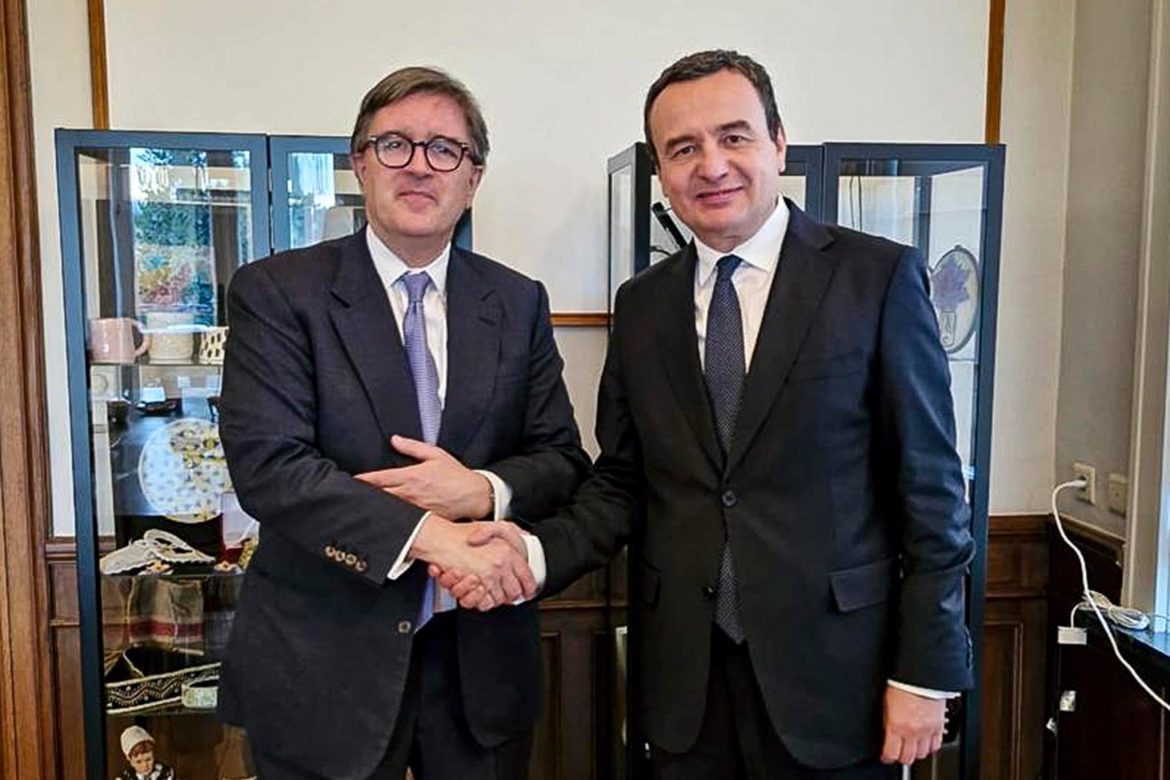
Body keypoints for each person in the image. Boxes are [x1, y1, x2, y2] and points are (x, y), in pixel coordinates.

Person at [445, 50, 974, 778]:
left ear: (778, 144)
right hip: (684, 686)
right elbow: (622, 481)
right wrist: (532, 555)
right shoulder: (641, 305)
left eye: (734, 137)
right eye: (683, 148)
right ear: (662, 172)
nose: (711, 165)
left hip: (839, 682)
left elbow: (933, 493)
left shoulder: (876, 279)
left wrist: (924, 674)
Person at [217, 65, 589, 780]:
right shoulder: (278, 292)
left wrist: (481, 490)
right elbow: (271, 468)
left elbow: (561, 460)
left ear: (473, 179)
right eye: (395, 144)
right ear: (360, 164)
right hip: (324, 665)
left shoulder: (517, 302)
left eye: (445, 149)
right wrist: (434, 537)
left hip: (478, 662)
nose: (420, 165)